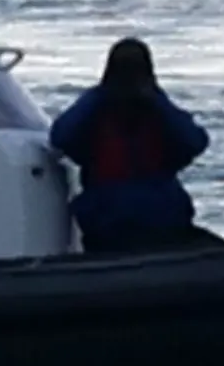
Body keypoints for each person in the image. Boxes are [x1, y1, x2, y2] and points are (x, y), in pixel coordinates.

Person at [49, 37, 214, 254]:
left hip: (144, 222)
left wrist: (153, 99)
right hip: (122, 224)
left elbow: (195, 141)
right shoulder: (99, 110)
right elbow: (61, 136)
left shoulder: (152, 110)